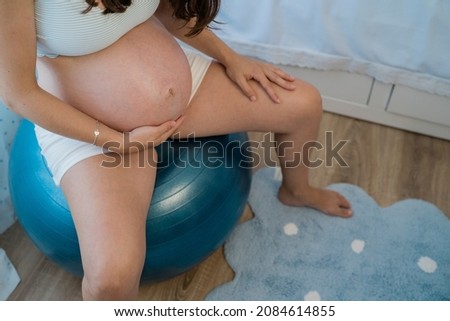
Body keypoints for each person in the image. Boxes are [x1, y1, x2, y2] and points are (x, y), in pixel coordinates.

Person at [0, 0, 352, 300]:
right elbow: (19, 93)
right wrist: (115, 141)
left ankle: (298, 191)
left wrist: (233, 59)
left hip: (184, 98)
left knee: (304, 103)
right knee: (112, 280)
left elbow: (169, 14)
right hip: (87, 124)